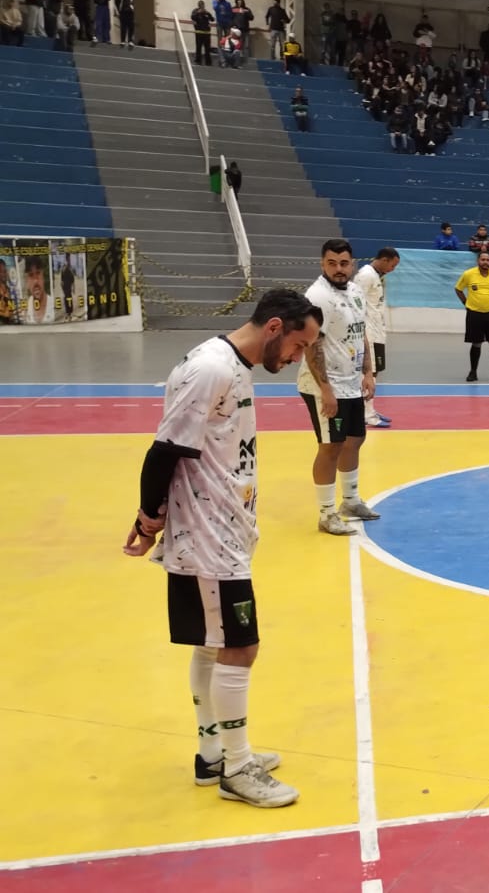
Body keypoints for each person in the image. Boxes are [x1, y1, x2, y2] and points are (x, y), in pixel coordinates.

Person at [122, 288, 323, 808]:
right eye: (299, 346)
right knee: (241, 646)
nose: (298, 358)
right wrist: (149, 521)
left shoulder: (234, 367)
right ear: (275, 327)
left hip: (225, 529)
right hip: (208, 537)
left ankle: (214, 751)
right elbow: (163, 451)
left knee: (213, 643)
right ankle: (238, 767)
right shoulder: (211, 368)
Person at [298, 239, 379, 536]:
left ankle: (351, 500)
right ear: (323, 264)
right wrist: (326, 390)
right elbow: (310, 345)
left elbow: (361, 333)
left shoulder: (356, 291)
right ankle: (326, 513)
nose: (338, 269)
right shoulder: (317, 297)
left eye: (344, 263)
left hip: (351, 382)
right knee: (330, 446)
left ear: (352, 263)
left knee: (355, 439)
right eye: (332, 263)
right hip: (325, 384)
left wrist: (368, 372)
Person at [355, 247, 399, 428]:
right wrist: (362, 331)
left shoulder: (376, 275)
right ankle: (367, 414)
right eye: (393, 265)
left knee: (375, 371)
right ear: (384, 259)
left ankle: (368, 408)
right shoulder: (366, 275)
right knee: (369, 372)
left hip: (377, 331)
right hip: (369, 332)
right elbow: (355, 302)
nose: (393, 269)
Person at [454, 249, 489, 382]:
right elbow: (458, 289)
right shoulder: (468, 274)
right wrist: (465, 302)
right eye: (483, 260)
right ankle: (473, 372)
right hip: (474, 313)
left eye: (488, 260)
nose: (485, 262)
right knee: (476, 343)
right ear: (478, 261)